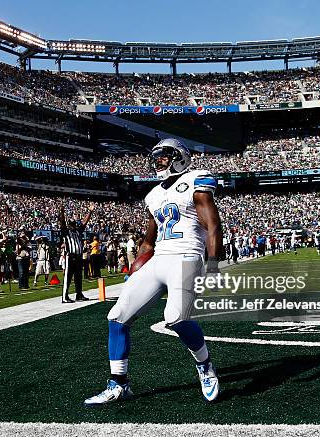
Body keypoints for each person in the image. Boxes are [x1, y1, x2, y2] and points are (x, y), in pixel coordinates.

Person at [85, 138, 223, 405]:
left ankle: (205, 366)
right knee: (117, 316)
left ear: (180, 156)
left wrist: (215, 264)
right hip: (159, 258)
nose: (158, 161)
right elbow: (149, 241)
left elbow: (213, 224)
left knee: (175, 317)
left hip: (187, 255)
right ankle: (119, 384)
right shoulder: (153, 194)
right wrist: (135, 268)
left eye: (164, 156)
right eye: (156, 157)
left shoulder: (197, 180)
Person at [60, 203, 94, 303]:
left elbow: (84, 222)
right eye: (71, 225)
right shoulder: (66, 232)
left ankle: (79, 294)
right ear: (69, 225)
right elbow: (62, 223)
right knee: (68, 277)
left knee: (78, 276)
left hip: (78, 257)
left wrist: (90, 212)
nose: (73, 226)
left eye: (74, 225)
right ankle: (64, 297)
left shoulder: (77, 231)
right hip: (70, 257)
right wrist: (62, 212)